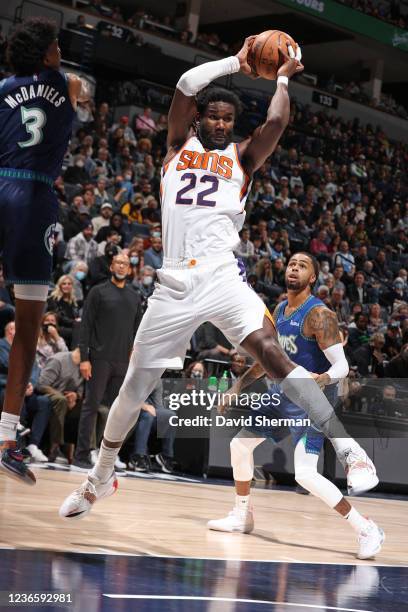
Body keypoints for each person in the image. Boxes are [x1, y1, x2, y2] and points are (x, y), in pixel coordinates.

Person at [60, 39, 376, 519]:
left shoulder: (243, 159)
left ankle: (349, 448)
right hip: (173, 285)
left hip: (223, 278)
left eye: (229, 119)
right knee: (132, 388)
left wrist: (284, 76)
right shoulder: (173, 148)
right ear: (198, 120)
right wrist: (237, 63)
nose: (222, 124)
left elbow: (276, 122)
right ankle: (100, 476)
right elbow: (187, 86)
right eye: (215, 117)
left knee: (271, 351)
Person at [207, 253, 383, 560]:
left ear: (312, 277)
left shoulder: (320, 315)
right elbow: (267, 360)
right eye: (290, 263)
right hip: (280, 397)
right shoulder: (278, 310)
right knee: (239, 446)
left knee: (304, 474)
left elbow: (342, 365)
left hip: (310, 402)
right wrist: (236, 387)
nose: (294, 268)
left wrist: (324, 378)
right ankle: (242, 515)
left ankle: (365, 527)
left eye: (302, 265)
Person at [0, 17, 88, 484]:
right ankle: (7, 440)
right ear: (47, 53)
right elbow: (83, 94)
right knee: (29, 325)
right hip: (32, 200)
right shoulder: (66, 82)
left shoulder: (2, 88)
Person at [72, 253, 142, 470]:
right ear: (112, 267)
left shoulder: (134, 296)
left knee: (117, 412)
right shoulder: (98, 292)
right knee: (90, 406)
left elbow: (138, 331)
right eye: (118, 263)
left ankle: (106, 456)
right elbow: (86, 327)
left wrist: (135, 355)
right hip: (99, 359)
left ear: (129, 270)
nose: (122, 266)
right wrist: (85, 358)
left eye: (125, 264)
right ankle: (81, 456)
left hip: (123, 361)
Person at [47, 275, 81, 347]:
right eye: (64, 283)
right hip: (58, 326)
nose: (66, 286)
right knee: (77, 332)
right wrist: (74, 322)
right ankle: (74, 353)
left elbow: (76, 317)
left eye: (69, 284)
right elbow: (59, 317)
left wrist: (77, 321)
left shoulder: (73, 301)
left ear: (72, 286)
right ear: (60, 285)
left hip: (72, 326)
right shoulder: (53, 299)